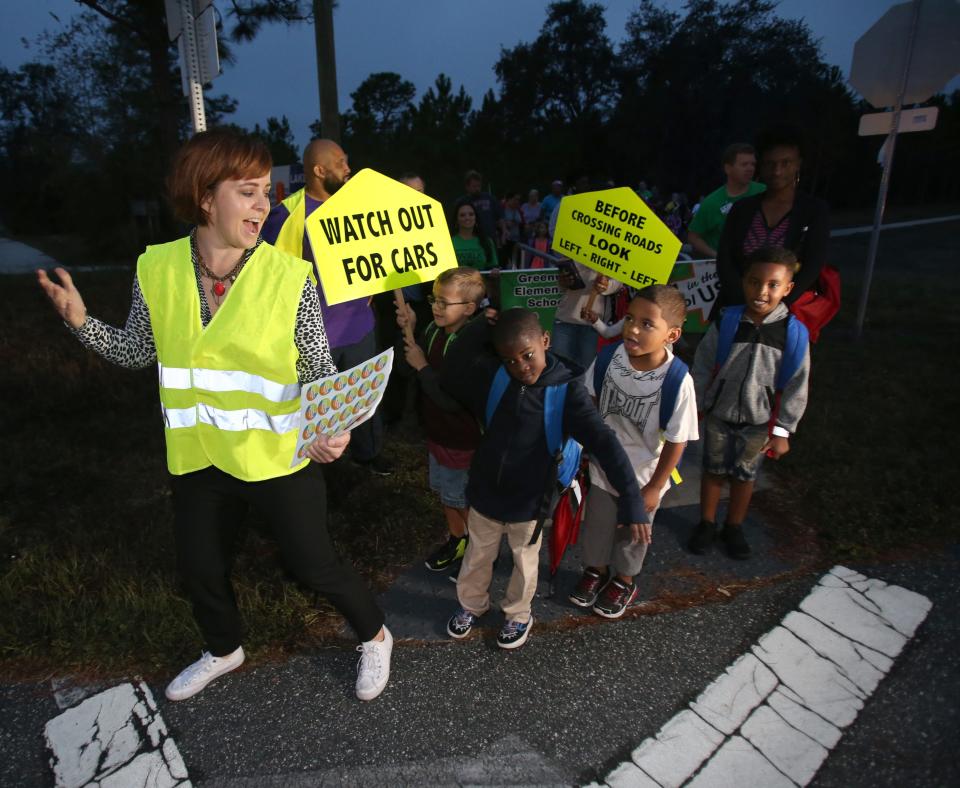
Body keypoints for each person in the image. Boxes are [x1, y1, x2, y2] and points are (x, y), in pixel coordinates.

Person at [35, 129, 393, 702]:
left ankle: (375, 635)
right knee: (200, 567)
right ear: (206, 197)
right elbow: (137, 350)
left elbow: (318, 365)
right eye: (248, 192)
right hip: (199, 455)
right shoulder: (156, 268)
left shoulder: (288, 276)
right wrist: (80, 319)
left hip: (275, 453)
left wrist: (332, 426)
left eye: (267, 193)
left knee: (314, 565)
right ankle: (225, 648)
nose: (265, 205)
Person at [439, 308, 645, 648]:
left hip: (530, 501)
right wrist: (478, 327)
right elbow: (451, 374)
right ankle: (471, 605)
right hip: (486, 493)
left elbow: (605, 443)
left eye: (527, 355)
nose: (521, 367)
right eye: (510, 360)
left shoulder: (567, 393)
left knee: (523, 561)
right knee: (477, 555)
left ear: (545, 341)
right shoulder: (496, 378)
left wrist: (632, 498)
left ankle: (518, 614)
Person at [261, 138, 391, 475]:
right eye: (341, 162)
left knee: (363, 399)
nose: (348, 169)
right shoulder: (285, 216)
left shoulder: (358, 205)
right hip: (315, 337)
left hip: (360, 326)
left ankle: (369, 456)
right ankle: (317, 467)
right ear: (319, 170)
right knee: (319, 407)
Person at [571, 286, 699, 617]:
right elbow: (591, 400)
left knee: (633, 533)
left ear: (672, 334)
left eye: (646, 324)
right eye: (629, 318)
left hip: (644, 476)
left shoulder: (677, 381)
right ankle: (595, 571)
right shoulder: (608, 358)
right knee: (598, 525)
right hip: (603, 469)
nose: (632, 329)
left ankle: (624, 579)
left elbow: (677, 439)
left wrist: (656, 486)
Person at [689, 246, 810, 559]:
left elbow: (798, 384)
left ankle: (734, 526)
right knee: (713, 469)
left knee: (746, 474)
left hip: (759, 422)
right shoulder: (727, 322)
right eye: (754, 282)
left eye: (773, 285)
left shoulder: (792, 334)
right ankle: (706, 523)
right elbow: (702, 365)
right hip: (718, 413)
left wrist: (783, 431)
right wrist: (696, 408)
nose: (762, 291)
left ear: (788, 288)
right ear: (743, 281)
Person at [395, 267, 486, 578]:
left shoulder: (471, 345)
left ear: (469, 309)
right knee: (447, 496)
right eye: (434, 299)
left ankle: (480, 551)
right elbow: (410, 368)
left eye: (444, 302)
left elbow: (450, 399)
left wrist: (422, 367)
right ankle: (458, 539)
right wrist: (410, 330)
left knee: (462, 499)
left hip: (461, 440)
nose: (435, 306)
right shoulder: (434, 330)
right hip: (437, 435)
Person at [712, 126, 829, 319]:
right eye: (770, 164)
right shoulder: (743, 209)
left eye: (786, 163)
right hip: (734, 310)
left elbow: (813, 265)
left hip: (784, 315)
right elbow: (725, 259)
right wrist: (742, 301)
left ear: (798, 164)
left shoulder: (814, 211)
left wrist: (778, 306)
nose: (777, 171)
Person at [687, 143, 766, 260]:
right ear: (728, 168)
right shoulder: (712, 202)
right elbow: (693, 237)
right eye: (744, 164)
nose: (750, 169)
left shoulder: (764, 191)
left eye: (753, 164)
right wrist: (717, 257)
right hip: (726, 268)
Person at [450, 197, 498, 271]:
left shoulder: (487, 242)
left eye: (471, 214)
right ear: (456, 220)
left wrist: (494, 272)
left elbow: (493, 267)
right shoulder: (448, 242)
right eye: (462, 215)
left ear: (476, 218)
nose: (467, 218)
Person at [459, 169, 502, 242]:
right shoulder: (462, 202)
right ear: (467, 187)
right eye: (474, 186)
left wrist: (503, 231)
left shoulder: (489, 198)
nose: (477, 189)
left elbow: (500, 217)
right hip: (473, 239)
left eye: (479, 186)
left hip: (491, 239)